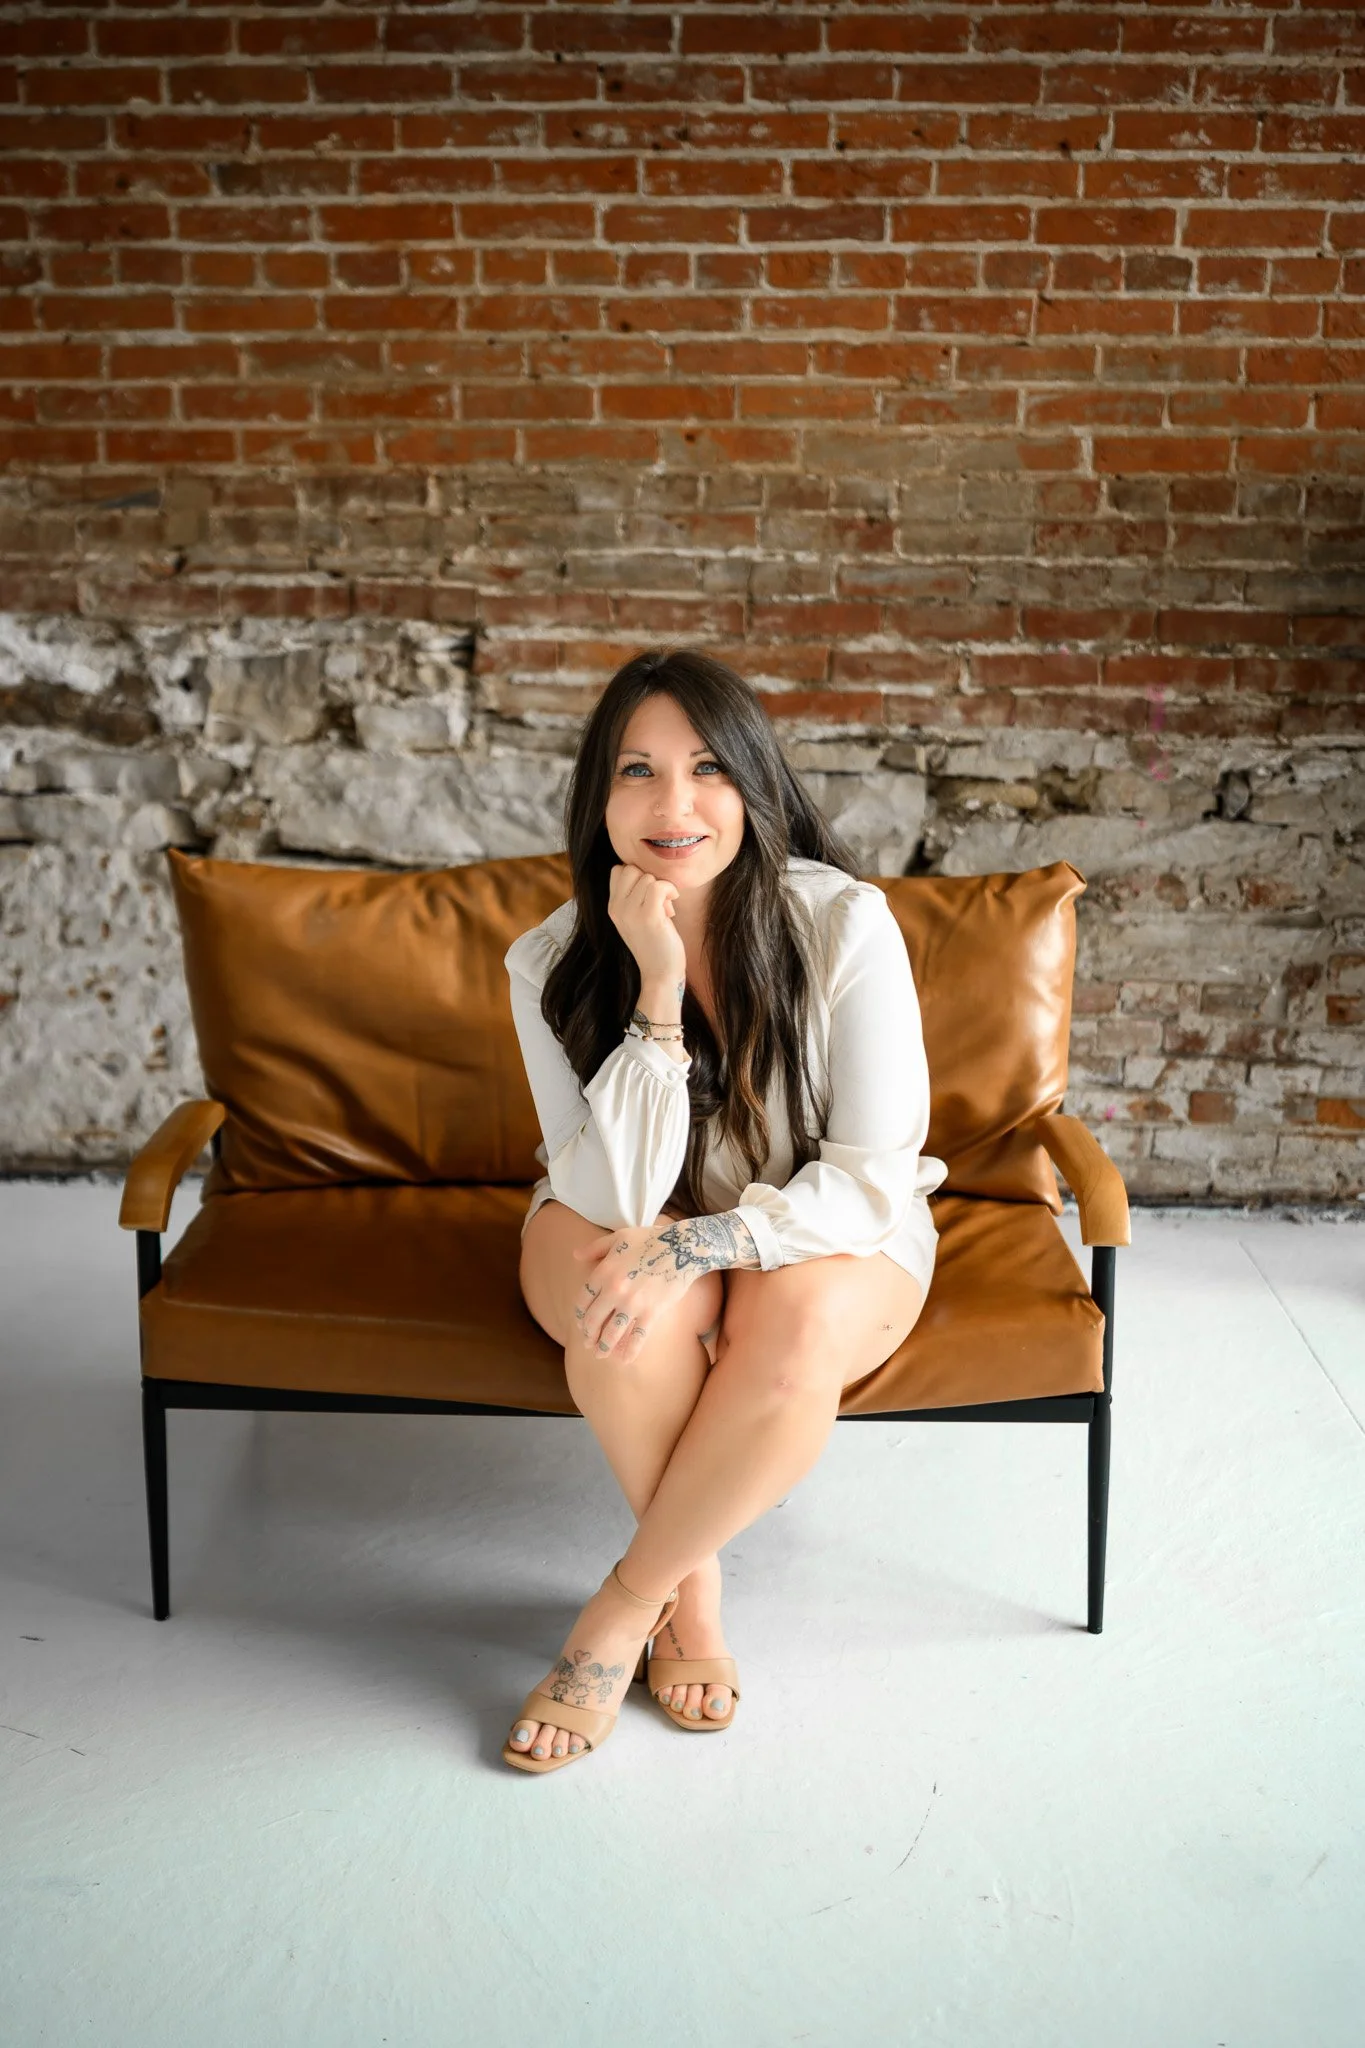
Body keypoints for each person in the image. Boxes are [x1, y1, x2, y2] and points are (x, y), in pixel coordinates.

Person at [499, 648, 947, 1774]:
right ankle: (693, 1596)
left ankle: (623, 1609)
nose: (674, 805)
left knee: (790, 1330)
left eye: (707, 769)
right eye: (637, 771)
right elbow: (611, 1196)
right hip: (626, 1218)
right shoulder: (547, 960)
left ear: (753, 784)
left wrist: (708, 1241)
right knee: (612, 1299)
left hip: (826, 1229)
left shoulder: (843, 923)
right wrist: (655, 992)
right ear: (599, 797)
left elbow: (870, 1176)